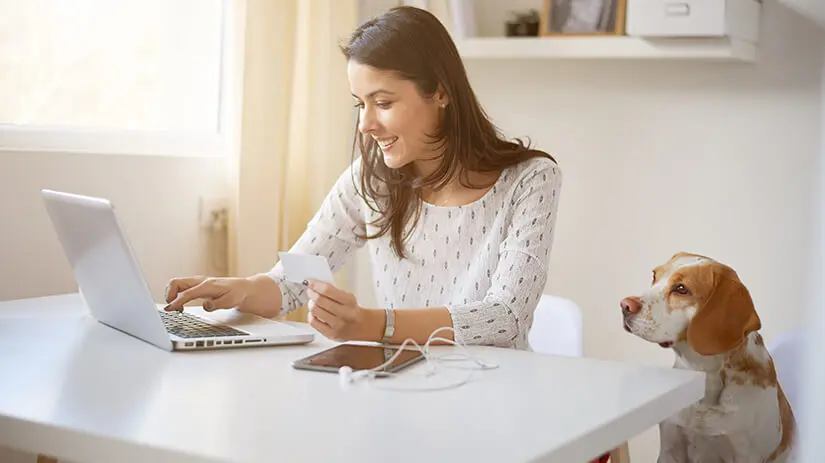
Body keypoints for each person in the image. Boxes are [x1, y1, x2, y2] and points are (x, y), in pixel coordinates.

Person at [164, 6, 562, 350]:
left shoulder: (529, 180)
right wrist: (237, 289)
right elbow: (292, 283)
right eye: (360, 104)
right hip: (402, 389)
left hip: (497, 394)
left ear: (440, 93)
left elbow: (504, 317)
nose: (365, 124)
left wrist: (375, 325)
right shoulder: (370, 180)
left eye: (383, 103)